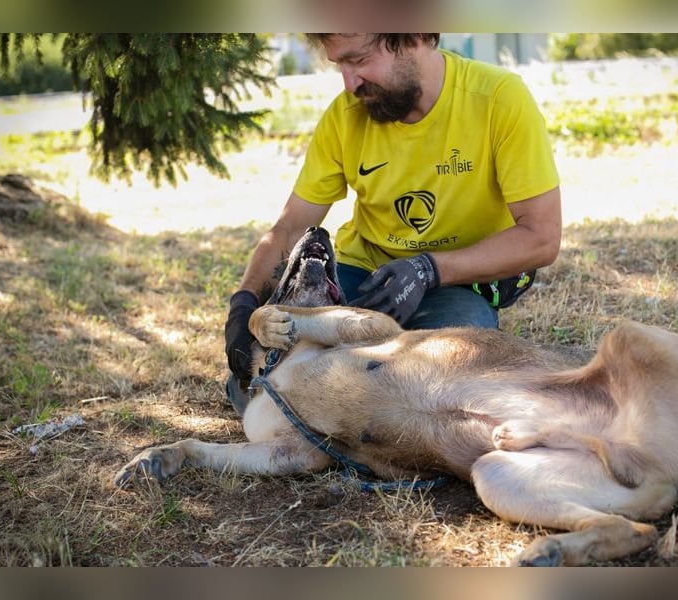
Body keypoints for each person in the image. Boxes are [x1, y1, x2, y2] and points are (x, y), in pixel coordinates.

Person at [224, 33, 561, 414]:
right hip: (361, 276)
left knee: (449, 375)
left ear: (413, 36)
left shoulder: (499, 98)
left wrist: (427, 269)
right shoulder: (344, 117)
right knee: (250, 383)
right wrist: (244, 302)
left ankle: (339, 403)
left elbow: (541, 237)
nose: (350, 84)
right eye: (340, 66)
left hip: (454, 283)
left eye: (360, 60)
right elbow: (290, 227)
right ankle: (349, 401)